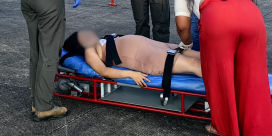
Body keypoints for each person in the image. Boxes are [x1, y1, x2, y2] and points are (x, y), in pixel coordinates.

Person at [177, 0, 272, 136]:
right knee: (254, 75)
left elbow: (182, 26)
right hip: (252, 18)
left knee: (219, 74)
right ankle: (258, 131)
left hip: (219, 20)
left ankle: (225, 128)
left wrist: (187, 45)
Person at [60, 31, 203, 87]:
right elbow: (104, 71)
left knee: (197, 55)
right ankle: (224, 92)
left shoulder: (99, 41)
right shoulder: (89, 50)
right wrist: (130, 74)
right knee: (194, 64)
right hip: (146, 57)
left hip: (151, 45)